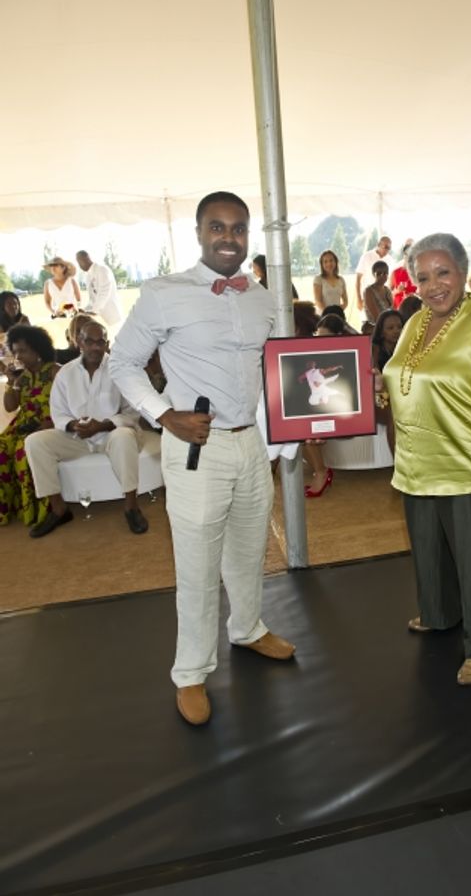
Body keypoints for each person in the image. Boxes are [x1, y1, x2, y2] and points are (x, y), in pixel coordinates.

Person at [108, 191, 295, 726]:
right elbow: (123, 363)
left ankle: (248, 628)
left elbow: (278, 369)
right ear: (198, 233)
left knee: (249, 548)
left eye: (238, 228)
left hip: (249, 442)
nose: (229, 238)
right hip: (195, 446)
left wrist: (312, 410)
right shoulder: (164, 293)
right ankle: (190, 672)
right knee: (196, 566)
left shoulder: (262, 298)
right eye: (218, 227)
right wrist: (165, 414)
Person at [381, 233, 471, 685]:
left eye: (442, 273)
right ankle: (439, 613)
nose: (433, 285)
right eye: (423, 277)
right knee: (428, 553)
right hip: (417, 467)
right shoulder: (414, 322)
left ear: (464, 273)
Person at [25, 321, 149, 538]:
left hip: (110, 434)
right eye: (89, 341)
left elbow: (132, 412)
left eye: (101, 342)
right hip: (77, 436)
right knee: (35, 442)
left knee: (123, 436)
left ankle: (131, 506)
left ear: (107, 344)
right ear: (79, 342)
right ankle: (59, 509)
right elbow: (58, 413)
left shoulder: (119, 370)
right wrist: (73, 425)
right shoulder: (66, 373)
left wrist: (103, 425)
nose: (95, 347)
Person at [0, 326, 59, 526]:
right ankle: (10, 508)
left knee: (22, 450)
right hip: (23, 424)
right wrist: (11, 382)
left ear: (37, 349)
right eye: (15, 351)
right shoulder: (22, 377)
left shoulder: (54, 371)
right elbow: (10, 406)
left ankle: (38, 511)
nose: (18, 356)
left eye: (23, 351)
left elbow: (73, 403)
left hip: (48, 425)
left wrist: (53, 422)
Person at [371, 309, 403, 454]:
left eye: (399, 327)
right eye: (390, 328)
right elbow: (375, 379)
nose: (396, 331)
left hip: (400, 395)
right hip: (380, 397)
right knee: (393, 414)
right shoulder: (374, 350)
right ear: (381, 332)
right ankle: (397, 461)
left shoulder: (408, 348)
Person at [75, 250, 123, 326]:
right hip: (101, 319)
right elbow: (92, 300)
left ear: (86, 258)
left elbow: (104, 292)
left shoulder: (102, 269)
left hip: (113, 317)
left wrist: (94, 311)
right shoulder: (88, 276)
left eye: (79, 262)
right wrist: (84, 310)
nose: (79, 266)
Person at [355, 235, 393, 311]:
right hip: (367, 297)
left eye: (389, 248)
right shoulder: (366, 256)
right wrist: (359, 299)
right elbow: (358, 279)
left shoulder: (390, 260)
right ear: (379, 244)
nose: (387, 250)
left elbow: (390, 282)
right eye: (385, 247)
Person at [363, 261, 393, 327]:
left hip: (389, 326)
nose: (382, 276)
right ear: (373, 274)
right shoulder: (369, 291)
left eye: (385, 273)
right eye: (379, 273)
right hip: (375, 327)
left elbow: (392, 310)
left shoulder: (387, 290)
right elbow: (376, 316)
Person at [389, 242, 417, 308]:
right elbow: (388, 295)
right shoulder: (395, 272)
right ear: (404, 255)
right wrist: (397, 291)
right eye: (407, 254)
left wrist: (414, 295)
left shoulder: (418, 273)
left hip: (414, 309)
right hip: (398, 309)